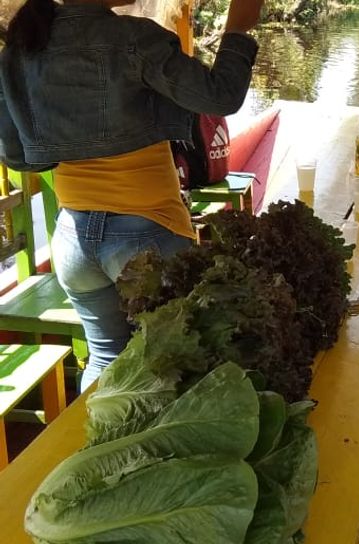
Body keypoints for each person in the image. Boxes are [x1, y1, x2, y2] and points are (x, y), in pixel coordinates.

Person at [0, 0, 263, 390]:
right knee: (179, 366)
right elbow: (221, 96)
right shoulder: (133, 38)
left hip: (73, 238)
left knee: (106, 357)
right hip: (149, 234)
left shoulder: (20, 49)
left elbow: (20, 158)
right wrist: (240, 24)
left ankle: (93, 443)